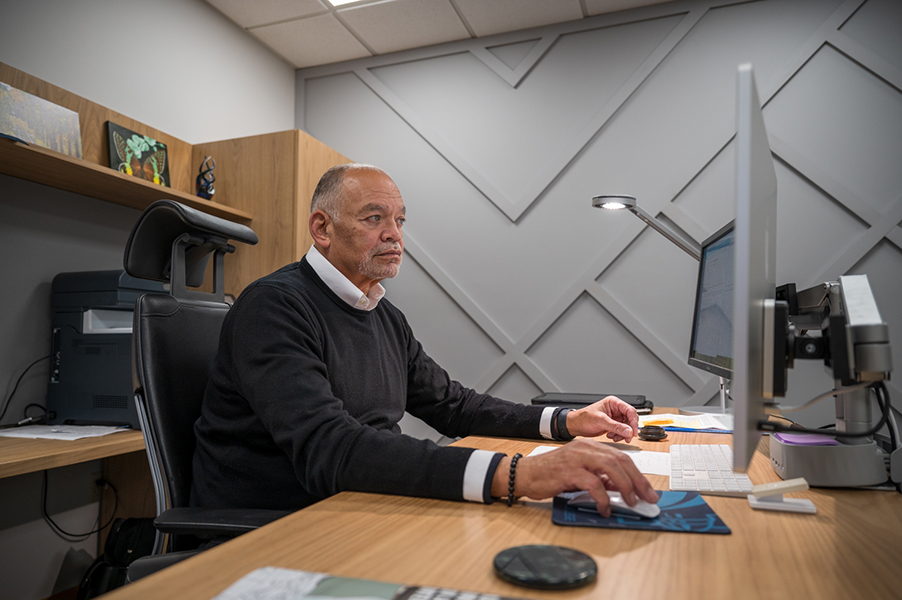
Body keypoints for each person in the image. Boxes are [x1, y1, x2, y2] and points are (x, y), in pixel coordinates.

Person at [191, 163, 658, 517]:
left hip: (359, 502)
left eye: (399, 220)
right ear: (322, 229)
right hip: (286, 524)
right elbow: (329, 447)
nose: (394, 234)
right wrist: (517, 474)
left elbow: (455, 406)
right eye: (374, 218)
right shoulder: (274, 306)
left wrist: (567, 421)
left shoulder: (383, 315)